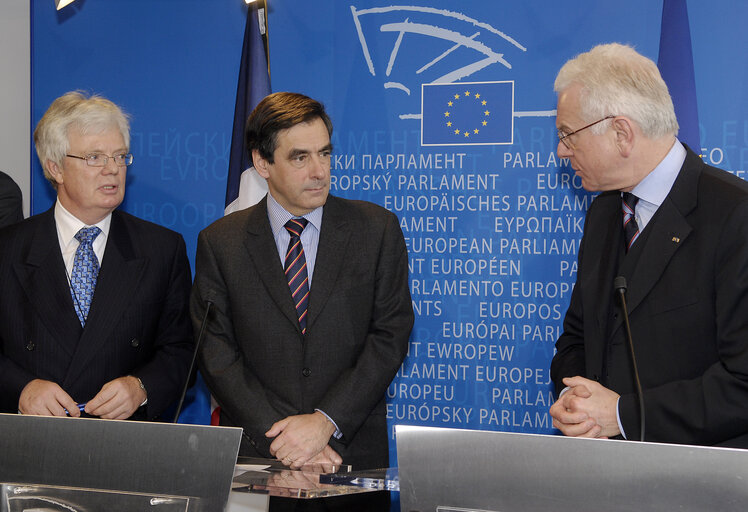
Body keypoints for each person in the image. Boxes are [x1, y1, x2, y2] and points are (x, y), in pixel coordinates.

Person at [192, 92, 413, 506]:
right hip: (260, 458)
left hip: (350, 454)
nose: (319, 171)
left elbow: (390, 334)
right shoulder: (221, 242)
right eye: (299, 157)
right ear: (262, 163)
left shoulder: (375, 229)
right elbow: (215, 351)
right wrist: (283, 437)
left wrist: (325, 423)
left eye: (325, 153)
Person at [549, 43, 748, 447]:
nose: (562, 150)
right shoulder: (604, 213)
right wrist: (578, 402)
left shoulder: (735, 215)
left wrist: (621, 415)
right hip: (604, 479)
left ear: (622, 133)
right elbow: (577, 338)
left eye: (569, 135)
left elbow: (742, 382)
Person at [0, 91, 194, 420]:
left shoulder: (162, 248)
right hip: (27, 444)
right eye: (94, 158)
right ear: (55, 168)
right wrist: (20, 388)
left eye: (120, 157)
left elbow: (182, 351)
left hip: (124, 447)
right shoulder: (8, 249)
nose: (112, 170)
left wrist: (140, 387)